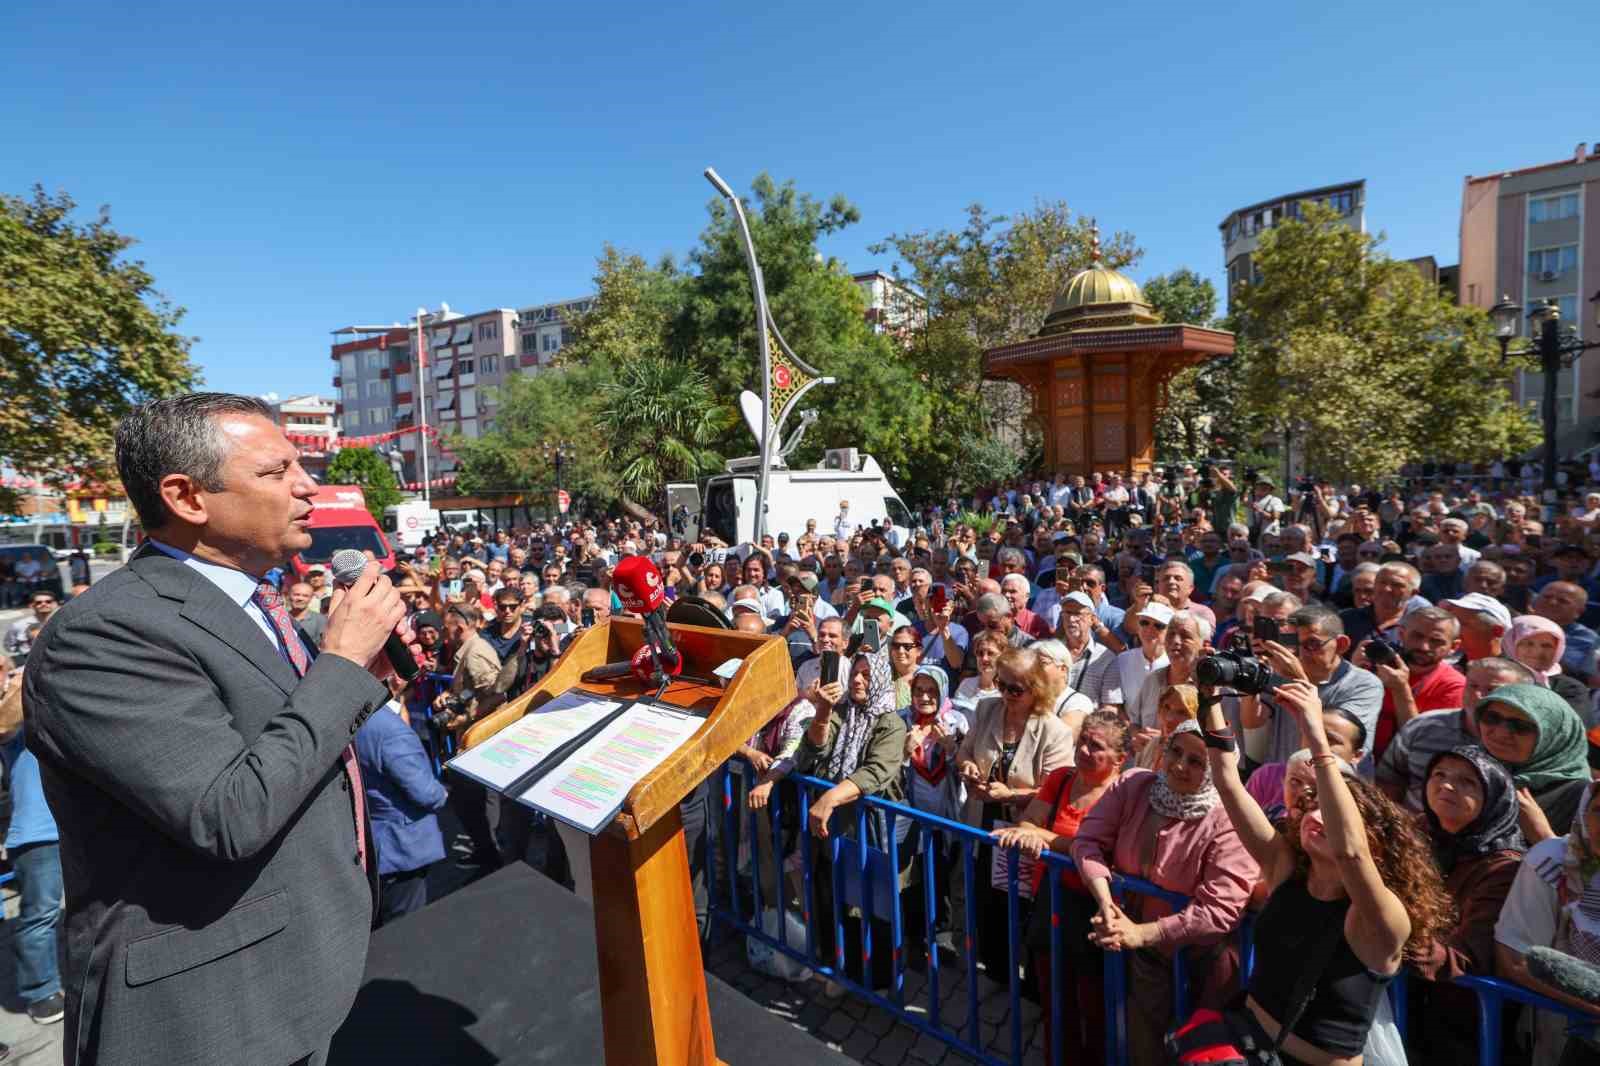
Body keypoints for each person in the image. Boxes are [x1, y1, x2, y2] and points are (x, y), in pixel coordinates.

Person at [25, 393, 412, 1066]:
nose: (307, 485)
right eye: (274, 471)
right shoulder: (103, 633)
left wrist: (361, 681)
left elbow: (284, 745)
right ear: (186, 496)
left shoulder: (253, 603)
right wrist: (342, 666)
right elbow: (227, 812)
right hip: (209, 1014)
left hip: (299, 975)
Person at [1188, 680, 1453, 1066]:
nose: (1315, 816)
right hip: (1248, 1048)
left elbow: (1351, 853)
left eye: (1328, 812)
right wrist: (1210, 699)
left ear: (1375, 842)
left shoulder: (1381, 918)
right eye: (1311, 807)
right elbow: (1227, 780)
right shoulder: (1286, 871)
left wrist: (1317, 740)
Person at [1072, 719, 1259, 1066]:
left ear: (1219, 769)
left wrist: (1143, 932)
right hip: (1142, 956)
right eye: (1175, 751)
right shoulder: (1134, 784)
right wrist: (1106, 901)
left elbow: (1220, 910)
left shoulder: (1231, 818)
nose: (1179, 765)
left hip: (1200, 968)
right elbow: (1087, 841)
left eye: (1197, 761)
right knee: (1143, 1048)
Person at [992, 711, 1128, 1066]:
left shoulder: (1123, 794)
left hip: (1098, 910)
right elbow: (1026, 823)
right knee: (1055, 1001)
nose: (1082, 749)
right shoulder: (1061, 778)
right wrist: (1077, 845)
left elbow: (1107, 854)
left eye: (1095, 746)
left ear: (1120, 759)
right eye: (1082, 740)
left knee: (1095, 1007)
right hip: (1050, 901)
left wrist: (1052, 841)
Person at [956, 647, 1074, 984]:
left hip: (1022, 828)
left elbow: (1056, 789)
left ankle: (1030, 984)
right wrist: (966, 766)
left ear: (1036, 689)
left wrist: (1014, 795)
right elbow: (965, 750)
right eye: (1001, 684)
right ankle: (996, 973)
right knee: (986, 899)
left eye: (1015, 689)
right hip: (982, 819)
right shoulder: (987, 708)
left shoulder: (1054, 730)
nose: (1005, 694)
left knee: (1020, 907)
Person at [793, 649, 907, 990]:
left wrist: (830, 797)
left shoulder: (891, 723)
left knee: (871, 904)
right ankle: (839, 966)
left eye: (866, 675)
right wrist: (823, 713)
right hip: (834, 828)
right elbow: (811, 755)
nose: (857, 679)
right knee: (834, 897)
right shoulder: (842, 711)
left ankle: (878, 981)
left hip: (868, 830)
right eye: (854, 673)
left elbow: (876, 771)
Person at [1408, 744, 1526, 1061]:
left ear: (1493, 798)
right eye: (1439, 774)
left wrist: (1391, 940)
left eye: (1467, 782)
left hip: (1466, 1027)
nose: (1446, 785)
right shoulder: (1419, 833)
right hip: (1413, 1003)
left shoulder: (1503, 867)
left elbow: (1469, 957)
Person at [1495, 780, 1600, 1065]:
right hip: (1565, 1036)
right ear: (1583, 813)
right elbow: (1516, 958)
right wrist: (1592, 1006)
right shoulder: (1555, 861)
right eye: (1599, 810)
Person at [1375, 656, 1538, 810]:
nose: (1477, 695)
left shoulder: (1525, 742)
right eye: (1472, 686)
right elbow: (1389, 782)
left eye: (1491, 689)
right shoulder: (1423, 726)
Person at [356, 674, 449, 927]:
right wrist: (442, 793)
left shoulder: (358, 718)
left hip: (376, 842)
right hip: (403, 846)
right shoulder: (390, 731)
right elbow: (424, 792)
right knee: (408, 926)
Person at [0, 659, 63, 1028]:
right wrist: (32, 670)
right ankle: (40, 991)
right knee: (40, 915)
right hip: (38, 832)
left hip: (78, 826)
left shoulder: (50, 703)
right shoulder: (12, 714)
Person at [1471, 684, 1591, 839]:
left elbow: (1587, 861)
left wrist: (1543, 837)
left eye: (1520, 727)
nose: (1501, 732)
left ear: (1552, 736)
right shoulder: (1462, 766)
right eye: (1492, 718)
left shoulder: (1584, 797)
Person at [1510, 613, 1592, 720]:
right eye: (1528, 643)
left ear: (1558, 649)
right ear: (1510, 643)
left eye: (1547, 646)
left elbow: (1568, 727)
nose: (1537, 651)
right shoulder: (1488, 673)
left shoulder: (1571, 688)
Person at [4, 590, 57, 657]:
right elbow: (9, 645)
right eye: (38, 602)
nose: (44, 604)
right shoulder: (19, 625)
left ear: (55, 604)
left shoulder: (65, 624)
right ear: (31, 606)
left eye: (48, 602)